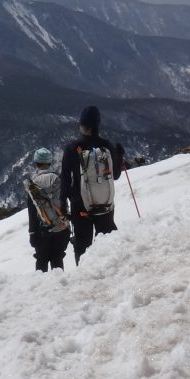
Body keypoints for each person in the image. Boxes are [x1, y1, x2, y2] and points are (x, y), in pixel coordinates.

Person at [60, 106, 126, 265]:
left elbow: (65, 181)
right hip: (104, 204)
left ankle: (84, 278)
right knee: (108, 243)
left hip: (80, 205)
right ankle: (113, 271)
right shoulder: (107, 146)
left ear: (83, 126)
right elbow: (115, 176)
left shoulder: (71, 149)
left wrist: (64, 204)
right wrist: (119, 155)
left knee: (82, 246)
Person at [24, 147, 71, 272]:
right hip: (61, 227)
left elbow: (32, 211)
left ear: (36, 163)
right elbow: (64, 204)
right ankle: (59, 286)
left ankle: (41, 287)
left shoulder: (32, 184)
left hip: (41, 230)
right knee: (57, 257)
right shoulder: (58, 179)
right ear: (50, 162)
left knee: (41, 260)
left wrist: (32, 233)